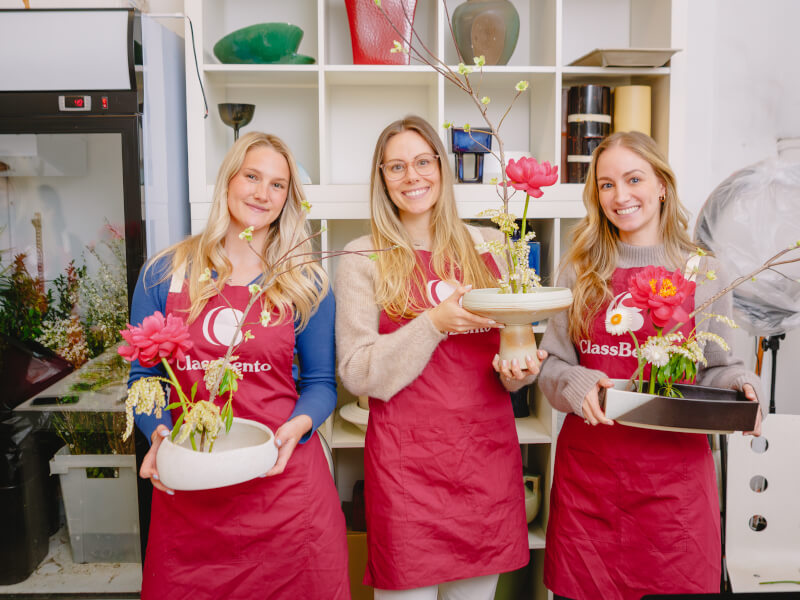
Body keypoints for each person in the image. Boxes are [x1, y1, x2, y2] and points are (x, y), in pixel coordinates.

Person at [538, 131, 764, 600]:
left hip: (673, 492)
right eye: (605, 185)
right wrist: (575, 382)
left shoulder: (701, 270)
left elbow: (716, 369)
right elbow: (551, 366)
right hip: (591, 486)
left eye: (633, 178)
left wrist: (741, 384)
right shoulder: (579, 269)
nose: (620, 196)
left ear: (662, 184)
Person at [128, 132, 349, 599]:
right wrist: (160, 436)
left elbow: (322, 383)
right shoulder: (166, 273)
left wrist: (298, 428)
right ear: (228, 180)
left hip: (283, 488)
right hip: (191, 488)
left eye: (277, 185)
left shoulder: (305, 281)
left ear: (287, 198)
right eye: (252, 176)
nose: (262, 193)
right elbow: (144, 377)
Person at [334, 115, 544, 600]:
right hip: (407, 471)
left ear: (443, 169)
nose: (413, 177)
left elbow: (510, 364)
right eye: (397, 167)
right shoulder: (363, 257)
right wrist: (433, 323)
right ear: (382, 179)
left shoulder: (491, 247)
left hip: (483, 462)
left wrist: (521, 373)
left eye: (423, 162)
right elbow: (358, 372)